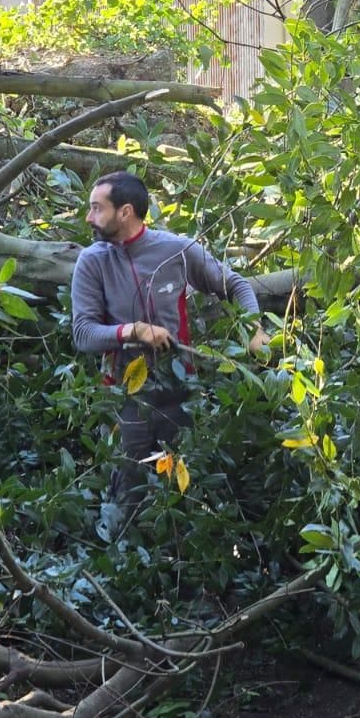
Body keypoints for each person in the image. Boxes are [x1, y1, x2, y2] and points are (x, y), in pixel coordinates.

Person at [69, 171, 267, 512]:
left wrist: (255, 328)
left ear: (125, 212)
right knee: (128, 496)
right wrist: (132, 331)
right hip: (124, 395)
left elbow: (236, 285)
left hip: (180, 392)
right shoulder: (92, 262)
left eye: (97, 208)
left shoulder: (176, 250)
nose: (89, 217)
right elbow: (83, 333)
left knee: (181, 498)